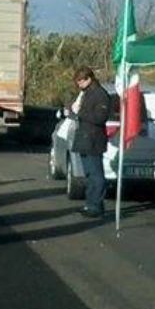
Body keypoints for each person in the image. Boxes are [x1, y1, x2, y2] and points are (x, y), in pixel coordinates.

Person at [69, 66, 111, 219]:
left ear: (89, 79)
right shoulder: (85, 94)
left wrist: (80, 112)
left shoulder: (100, 95)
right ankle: (91, 203)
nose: (78, 84)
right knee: (88, 175)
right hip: (84, 139)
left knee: (96, 175)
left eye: (80, 81)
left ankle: (95, 205)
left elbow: (100, 117)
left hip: (93, 139)